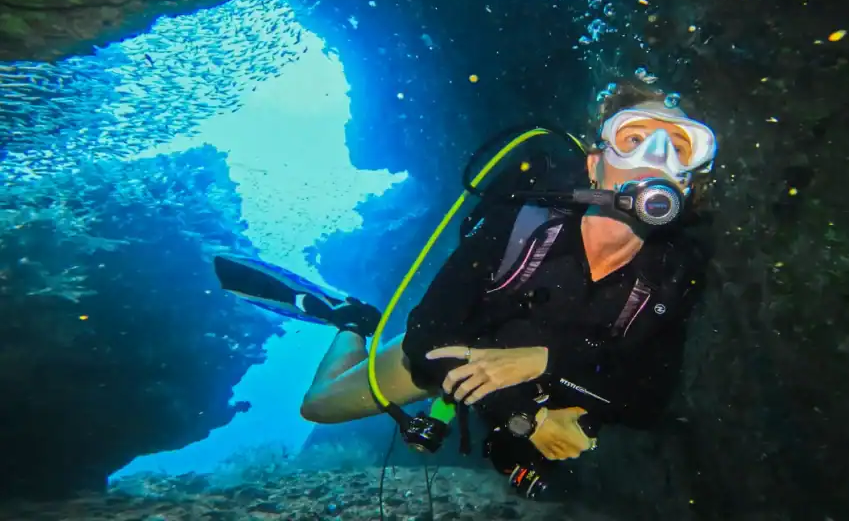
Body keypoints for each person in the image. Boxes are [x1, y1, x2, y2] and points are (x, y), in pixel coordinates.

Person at [217, 78, 717, 468]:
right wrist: (525, 418)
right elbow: (429, 337)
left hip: (558, 372)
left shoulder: (676, 269)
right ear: (594, 165)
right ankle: (350, 320)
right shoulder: (524, 218)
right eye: (633, 139)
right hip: (460, 346)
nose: (656, 158)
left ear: (690, 184)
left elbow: (651, 397)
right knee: (319, 406)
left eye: (679, 147)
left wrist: (545, 360)